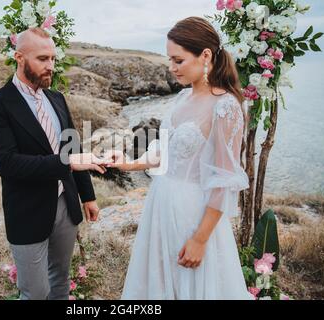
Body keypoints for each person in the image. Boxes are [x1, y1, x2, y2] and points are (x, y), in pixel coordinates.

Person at [106, 17, 253, 300]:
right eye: (169, 60)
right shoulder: (182, 99)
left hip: (193, 213)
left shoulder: (226, 107)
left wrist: (199, 239)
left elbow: (223, 181)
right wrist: (127, 162)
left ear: (205, 55)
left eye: (178, 60)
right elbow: (167, 152)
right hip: (160, 206)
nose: (171, 68)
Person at [0, 27, 106, 300]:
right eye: (43, 59)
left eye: (53, 59)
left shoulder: (56, 98)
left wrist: (88, 196)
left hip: (65, 205)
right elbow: (9, 164)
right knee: (35, 292)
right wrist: (67, 164)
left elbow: (72, 147)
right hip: (28, 211)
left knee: (60, 282)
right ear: (19, 57)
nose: (51, 66)